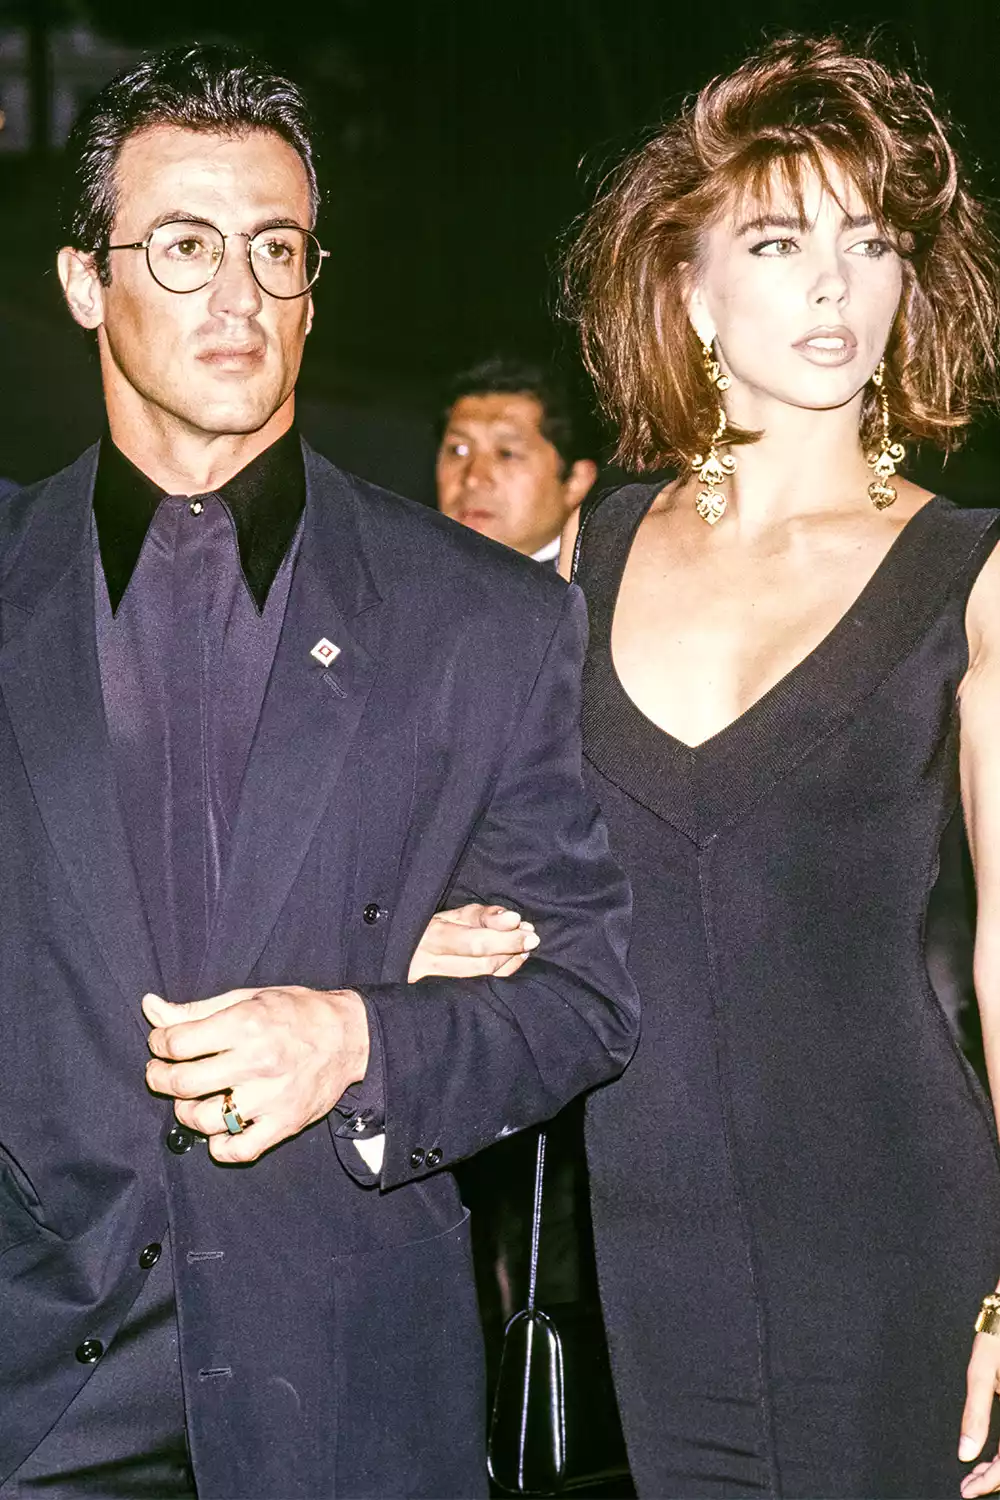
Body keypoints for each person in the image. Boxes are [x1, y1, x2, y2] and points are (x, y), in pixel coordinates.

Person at [0, 45, 639, 1500]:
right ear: (85, 283)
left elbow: (590, 996)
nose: (239, 294)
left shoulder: (484, 616)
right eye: (184, 244)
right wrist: (370, 929)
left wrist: (361, 1033)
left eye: (275, 249)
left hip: (348, 1404)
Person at [414, 34, 1000, 1498]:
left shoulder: (967, 573)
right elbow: (520, 851)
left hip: (898, 1233)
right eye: (780, 238)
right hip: (650, 1245)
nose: (834, 285)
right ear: (687, 287)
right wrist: (427, 929)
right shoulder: (591, 550)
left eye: (871, 244)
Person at [436, 357, 597, 563]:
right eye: (458, 450)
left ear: (576, 481)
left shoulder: (614, 589)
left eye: (507, 454)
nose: (473, 479)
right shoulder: (403, 573)